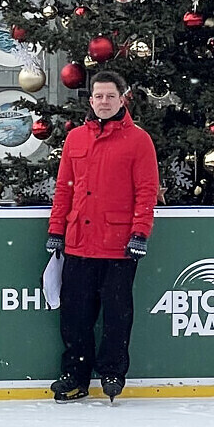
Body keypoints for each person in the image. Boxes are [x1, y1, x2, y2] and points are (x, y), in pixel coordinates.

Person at [45, 70, 159, 403]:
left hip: (119, 245)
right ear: (90, 99)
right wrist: (56, 230)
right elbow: (64, 190)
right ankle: (75, 376)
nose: (104, 102)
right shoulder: (75, 138)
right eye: (98, 96)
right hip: (79, 241)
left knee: (117, 315)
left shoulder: (139, 140)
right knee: (75, 316)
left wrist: (140, 232)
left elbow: (146, 190)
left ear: (123, 98)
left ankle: (112, 372)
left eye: (110, 96)